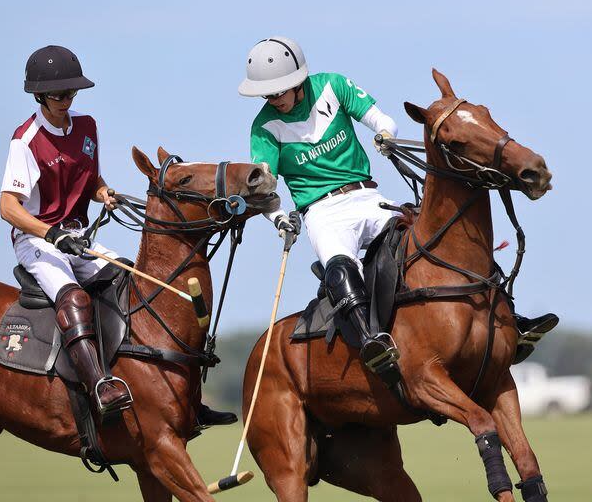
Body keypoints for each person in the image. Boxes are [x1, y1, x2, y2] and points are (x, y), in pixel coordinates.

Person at [238, 37, 558, 376]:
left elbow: (380, 119)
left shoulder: (332, 86)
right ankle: (372, 341)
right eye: (267, 94)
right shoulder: (264, 128)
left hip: (367, 197)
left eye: (279, 91)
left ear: (299, 81)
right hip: (322, 212)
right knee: (339, 266)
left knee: (435, 238)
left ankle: (510, 317)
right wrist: (278, 219)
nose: (274, 99)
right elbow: (264, 187)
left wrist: (384, 135)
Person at [0, 45, 236, 425]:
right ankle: (98, 385)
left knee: (128, 282)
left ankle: (185, 396)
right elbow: (8, 207)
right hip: (38, 240)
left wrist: (103, 192)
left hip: (77, 237)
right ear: (39, 95)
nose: (67, 100)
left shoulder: (87, 126)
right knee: (73, 296)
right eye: (59, 94)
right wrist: (52, 232)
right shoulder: (25, 140)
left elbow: (88, 179)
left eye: (72, 93)